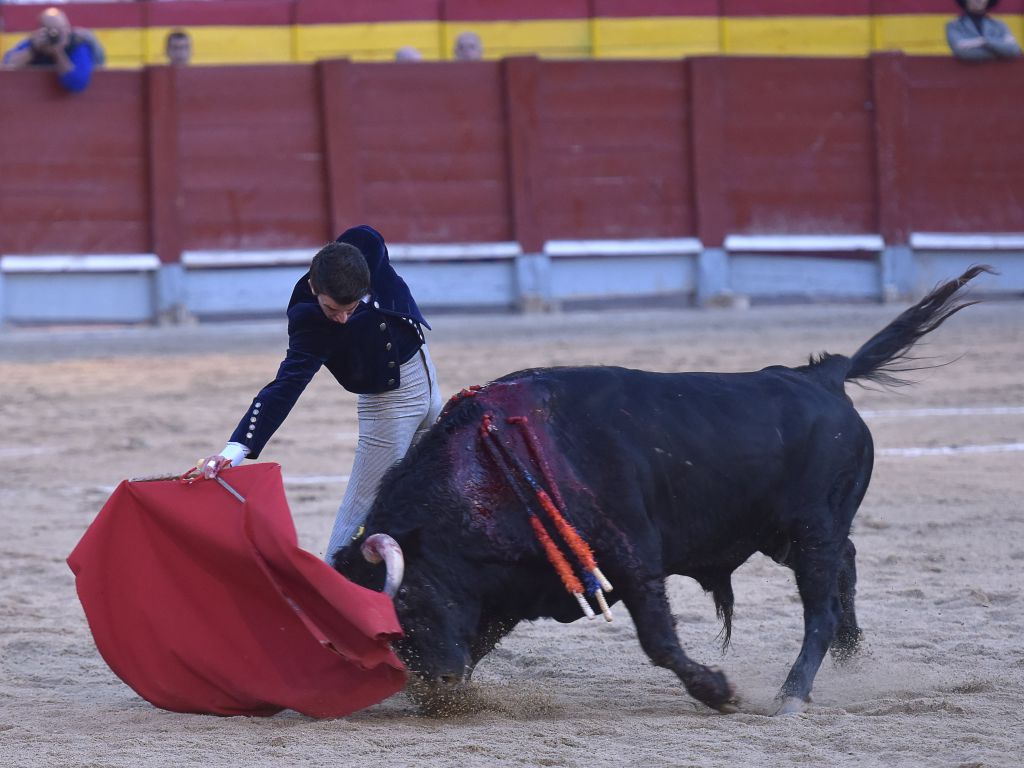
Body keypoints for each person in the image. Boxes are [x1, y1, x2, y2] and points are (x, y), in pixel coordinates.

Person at [199, 225, 443, 564]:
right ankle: (332, 582)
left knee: (427, 494)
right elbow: (287, 384)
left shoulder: (364, 246)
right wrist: (236, 448)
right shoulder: (309, 319)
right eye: (332, 309)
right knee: (362, 505)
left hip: (427, 378)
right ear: (315, 287)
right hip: (388, 404)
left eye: (350, 309)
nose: (341, 319)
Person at [1, 6, 104, 93]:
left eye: (60, 29)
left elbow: (77, 83)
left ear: (68, 29)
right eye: (50, 30)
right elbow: (6, 68)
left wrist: (58, 53)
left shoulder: (77, 44)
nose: (55, 35)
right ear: (41, 30)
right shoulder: (36, 42)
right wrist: (33, 50)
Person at [946, 0, 1021, 60]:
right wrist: (1000, 51)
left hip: (995, 73)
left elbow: (1014, 49)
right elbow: (962, 52)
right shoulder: (954, 25)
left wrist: (984, 42)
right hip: (967, 74)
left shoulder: (999, 25)